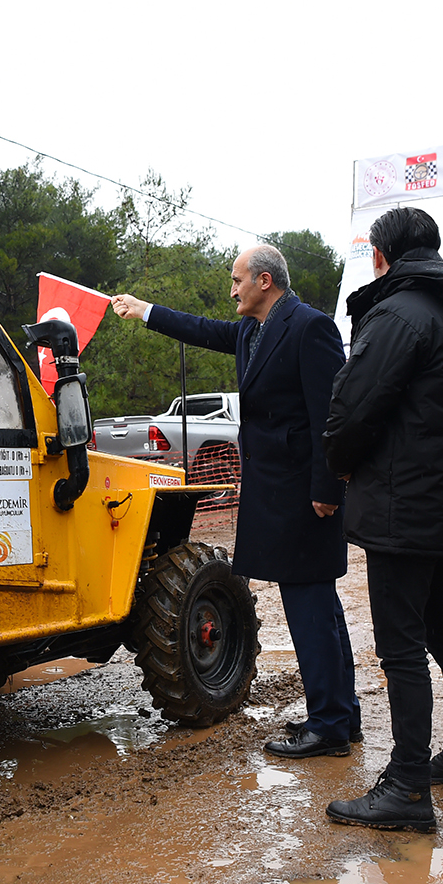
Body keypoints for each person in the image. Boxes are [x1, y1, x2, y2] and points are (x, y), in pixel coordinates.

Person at [112, 244, 359, 758]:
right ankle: (339, 713)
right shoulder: (252, 329)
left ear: (265, 281)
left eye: (236, 280)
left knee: (311, 608)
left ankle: (331, 726)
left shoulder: (310, 327)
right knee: (315, 604)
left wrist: (327, 488)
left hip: (305, 495)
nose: (231, 290)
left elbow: (331, 417)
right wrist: (145, 311)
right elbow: (200, 329)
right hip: (276, 491)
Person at [322, 206, 443, 831]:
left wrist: (339, 464)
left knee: (401, 646)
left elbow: (355, 406)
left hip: (403, 505)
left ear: (380, 255)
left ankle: (408, 786)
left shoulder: (397, 314)